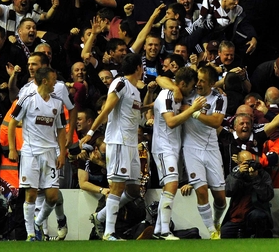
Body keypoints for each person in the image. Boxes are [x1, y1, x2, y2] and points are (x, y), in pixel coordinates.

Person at [85, 53, 146, 241]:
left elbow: (131, 112)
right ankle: (108, 232)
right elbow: (107, 109)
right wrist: (90, 132)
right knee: (117, 187)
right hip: (119, 141)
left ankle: (100, 217)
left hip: (131, 144)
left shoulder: (135, 90)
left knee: (134, 190)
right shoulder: (120, 83)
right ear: (138, 68)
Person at [7, 67, 68, 241]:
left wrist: (62, 153)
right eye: (54, 79)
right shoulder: (27, 99)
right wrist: (12, 148)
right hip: (30, 152)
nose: (56, 83)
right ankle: (31, 234)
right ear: (45, 81)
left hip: (50, 153)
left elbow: (61, 129)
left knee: (52, 197)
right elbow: (12, 123)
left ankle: (38, 221)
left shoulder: (57, 102)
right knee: (31, 194)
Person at [151, 67, 203, 240]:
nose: (193, 89)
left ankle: (159, 230)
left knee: (170, 185)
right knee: (172, 184)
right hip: (163, 147)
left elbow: (161, 78)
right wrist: (193, 109)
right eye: (191, 86)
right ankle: (165, 231)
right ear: (182, 84)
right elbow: (171, 122)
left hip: (173, 147)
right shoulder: (167, 95)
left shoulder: (176, 93)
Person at [182, 65, 227, 239]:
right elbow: (163, 80)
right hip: (191, 148)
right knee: (201, 191)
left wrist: (192, 112)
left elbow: (216, 122)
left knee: (220, 198)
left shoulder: (219, 98)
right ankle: (211, 231)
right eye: (197, 80)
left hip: (211, 149)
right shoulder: (188, 92)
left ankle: (216, 221)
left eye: (202, 81)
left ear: (212, 83)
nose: (198, 84)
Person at [220, 149, 274, 238]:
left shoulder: (262, 174)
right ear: (239, 163)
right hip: (236, 218)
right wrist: (239, 174)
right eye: (246, 162)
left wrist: (255, 178)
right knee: (224, 233)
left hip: (254, 216)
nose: (249, 164)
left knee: (257, 216)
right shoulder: (234, 174)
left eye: (251, 161)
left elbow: (267, 196)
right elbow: (228, 192)